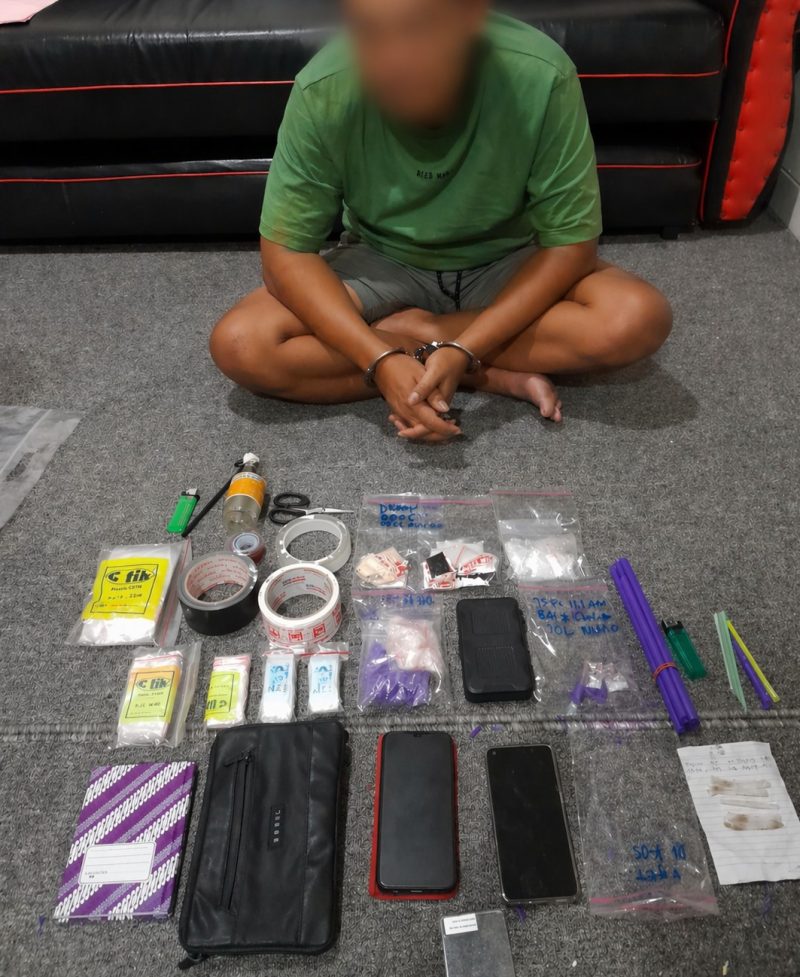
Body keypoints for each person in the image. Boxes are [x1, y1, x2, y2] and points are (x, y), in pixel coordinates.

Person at [211, 0, 672, 442]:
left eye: (418, 29)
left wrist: (458, 346)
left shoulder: (542, 73)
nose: (393, 61)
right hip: (380, 260)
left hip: (508, 259)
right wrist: (379, 359)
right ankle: (470, 371)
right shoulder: (323, 86)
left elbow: (571, 246)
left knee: (635, 318)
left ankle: (430, 344)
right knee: (241, 343)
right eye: (369, 32)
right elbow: (285, 255)